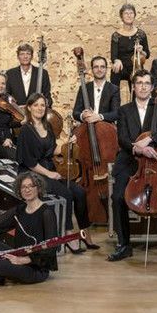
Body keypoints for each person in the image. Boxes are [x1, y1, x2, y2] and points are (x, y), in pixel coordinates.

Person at [106, 70, 157, 262]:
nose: (143, 86)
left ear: (152, 87)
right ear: (133, 87)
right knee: (118, 196)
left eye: (147, 83)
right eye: (139, 83)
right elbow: (122, 138)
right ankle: (124, 245)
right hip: (130, 161)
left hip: (156, 160)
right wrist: (138, 149)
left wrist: (151, 140)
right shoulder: (124, 110)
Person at [18, 92, 98, 253]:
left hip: (48, 169)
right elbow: (29, 161)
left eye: (43, 105)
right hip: (32, 173)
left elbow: (52, 150)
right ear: (29, 107)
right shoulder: (26, 130)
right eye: (36, 105)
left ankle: (85, 233)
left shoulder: (47, 126)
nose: (40, 108)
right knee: (67, 194)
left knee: (80, 192)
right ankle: (68, 236)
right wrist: (49, 174)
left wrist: (67, 144)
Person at [110, 4, 150, 99]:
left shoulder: (141, 34)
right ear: (121, 17)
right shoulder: (116, 35)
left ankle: (135, 106)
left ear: (134, 15)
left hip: (136, 66)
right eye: (126, 13)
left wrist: (142, 52)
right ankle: (114, 104)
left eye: (131, 13)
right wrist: (117, 61)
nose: (129, 15)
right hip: (121, 66)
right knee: (115, 70)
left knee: (139, 77)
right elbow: (113, 56)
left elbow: (147, 54)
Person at [72, 55, 120, 125]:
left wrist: (99, 116)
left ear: (106, 69)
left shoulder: (113, 89)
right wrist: (83, 115)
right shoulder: (84, 88)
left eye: (102, 67)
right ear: (92, 69)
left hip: (106, 129)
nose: (99, 70)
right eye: (96, 67)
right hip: (86, 127)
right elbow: (75, 112)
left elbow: (116, 113)